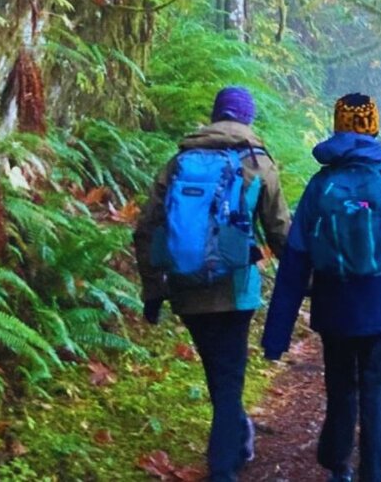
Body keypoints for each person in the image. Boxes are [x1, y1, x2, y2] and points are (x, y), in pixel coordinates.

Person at [261, 93, 381, 482]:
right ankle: (376, 473)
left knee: (340, 386)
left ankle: (338, 465)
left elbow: (296, 259)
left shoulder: (321, 185)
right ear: (374, 126)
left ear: (336, 126)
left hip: (335, 308)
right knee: (378, 390)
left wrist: (276, 334)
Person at [132, 86, 290, 482]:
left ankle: (236, 442)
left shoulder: (181, 160)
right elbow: (280, 232)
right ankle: (222, 469)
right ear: (247, 119)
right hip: (237, 289)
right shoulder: (258, 162)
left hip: (187, 288)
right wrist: (303, 280)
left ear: (216, 114)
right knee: (230, 378)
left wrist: (153, 291)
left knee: (218, 373)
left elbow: (147, 227)